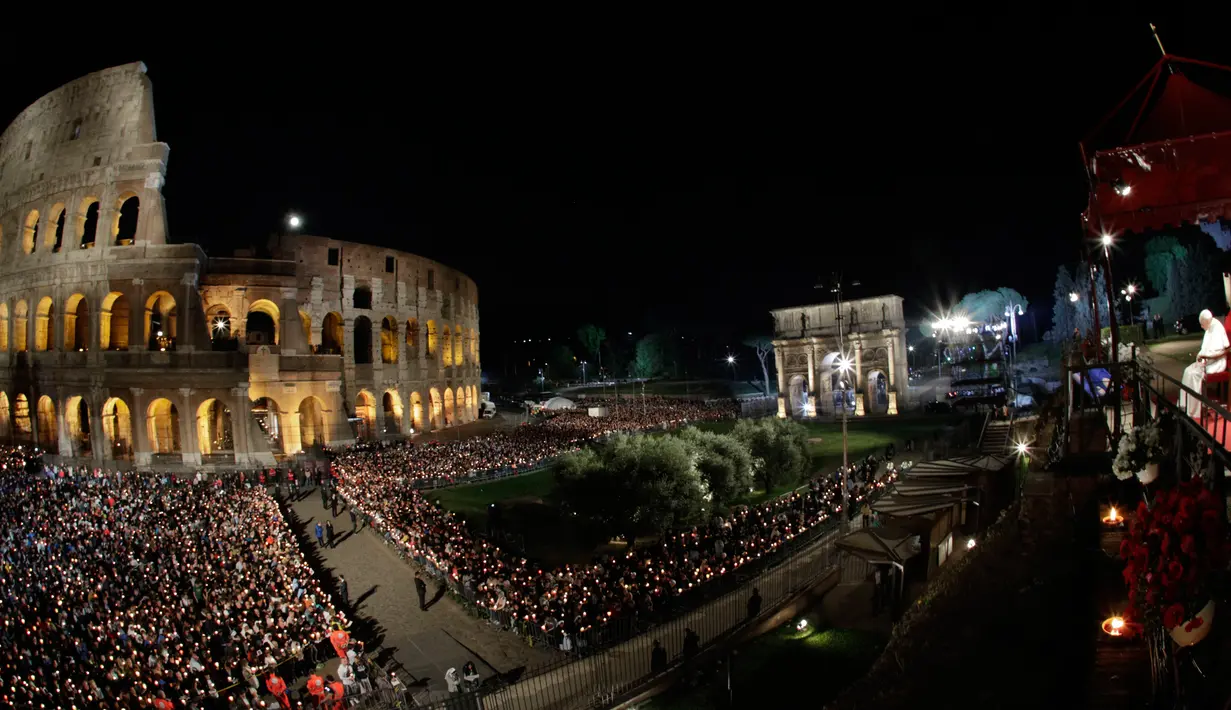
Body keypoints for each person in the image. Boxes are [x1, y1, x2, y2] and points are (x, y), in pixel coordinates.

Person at [1181, 309, 1230, 418]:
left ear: (1207, 321)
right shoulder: (1209, 327)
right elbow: (1206, 347)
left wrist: (1206, 357)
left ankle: (1195, 409)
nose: (1202, 327)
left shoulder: (1217, 328)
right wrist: (1201, 355)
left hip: (1217, 362)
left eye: (1202, 325)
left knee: (1194, 374)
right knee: (1188, 371)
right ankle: (1185, 405)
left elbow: (1225, 350)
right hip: (1208, 361)